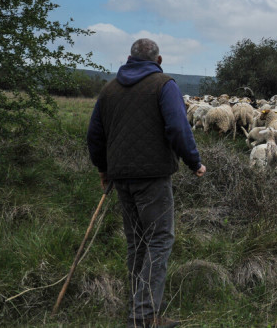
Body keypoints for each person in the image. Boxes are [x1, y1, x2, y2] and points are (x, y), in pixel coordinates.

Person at [87, 38, 206, 328]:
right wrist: (194, 161)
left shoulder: (109, 89)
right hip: (152, 176)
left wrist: (104, 168)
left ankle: (137, 306)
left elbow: (94, 135)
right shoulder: (164, 85)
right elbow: (178, 126)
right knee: (159, 240)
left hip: (121, 176)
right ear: (159, 59)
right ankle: (143, 317)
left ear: (129, 58)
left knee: (137, 242)